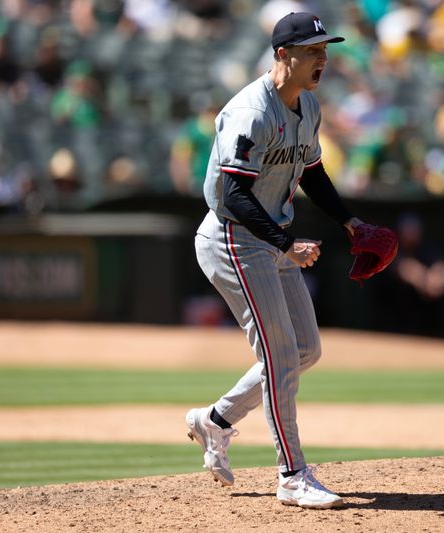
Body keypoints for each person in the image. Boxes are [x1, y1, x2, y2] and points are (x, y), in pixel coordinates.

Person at [184, 12, 364, 510]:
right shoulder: (250, 111)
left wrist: (350, 223)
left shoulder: (307, 106)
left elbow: (312, 173)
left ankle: (215, 421)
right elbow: (234, 195)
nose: (323, 57)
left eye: (325, 49)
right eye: (313, 50)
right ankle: (292, 475)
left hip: (269, 238)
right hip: (233, 240)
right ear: (283, 55)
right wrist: (285, 245)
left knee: (304, 349)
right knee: (281, 356)